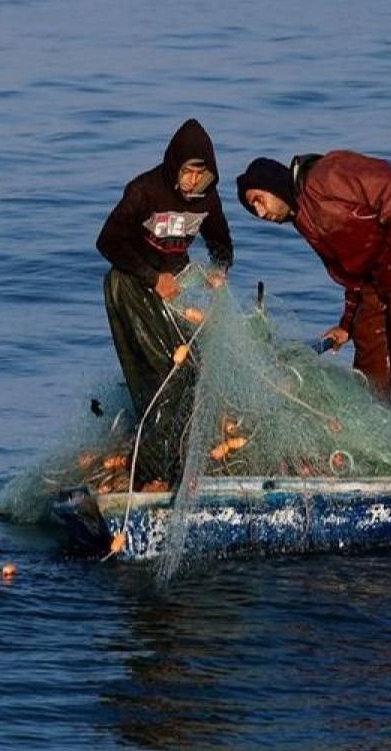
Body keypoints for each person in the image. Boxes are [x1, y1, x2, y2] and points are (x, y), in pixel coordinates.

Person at [235, 151, 391, 424]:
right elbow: (351, 272)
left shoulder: (325, 175)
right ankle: (374, 430)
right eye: (252, 209)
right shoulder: (305, 220)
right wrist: (347, 323)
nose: (260, 212)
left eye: (258, 200)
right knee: (369, 347)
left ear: (274, 186)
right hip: (380, 271)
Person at [97, 119, 232, 490]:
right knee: (167, 377)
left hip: (175, 290)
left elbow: (221, 242)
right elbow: (107, 242)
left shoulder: (207, 199)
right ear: (175, 167)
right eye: (187, 172)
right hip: (130, 284)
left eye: (199, 173)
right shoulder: (145, 191)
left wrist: (219, 270)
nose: (192, 181)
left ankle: (172, 465)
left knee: (191, 372)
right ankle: (150, 475)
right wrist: (154, 278)